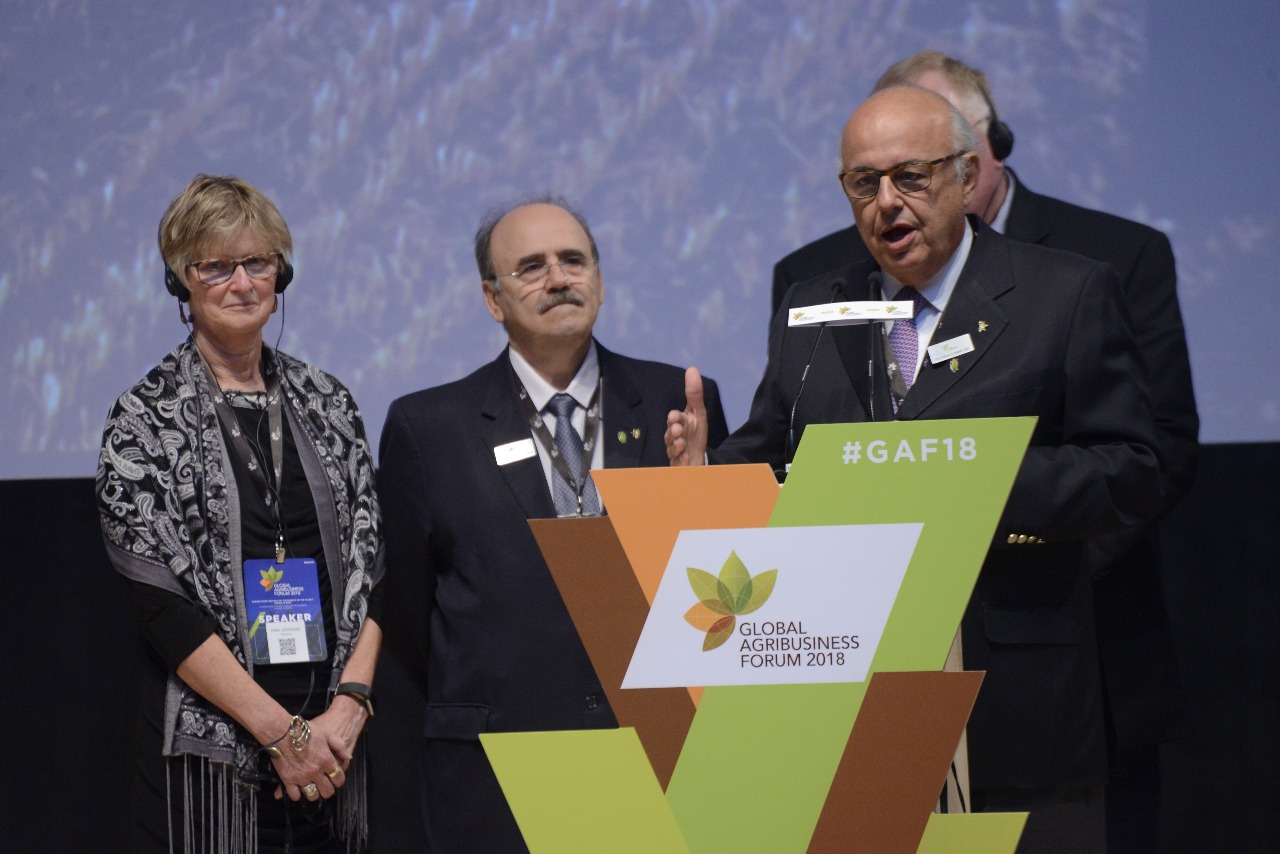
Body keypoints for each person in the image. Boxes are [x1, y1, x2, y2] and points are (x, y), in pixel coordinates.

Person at [667, 87, 1162, 854]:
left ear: (967, 176)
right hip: (843, 697)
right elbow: (770, 453)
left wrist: (964, 480)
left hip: (1011, 696)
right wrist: (705, 478)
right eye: (864, 184)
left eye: (911, 177)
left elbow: (1130, 470)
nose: (886, 204)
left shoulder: (1064, 293)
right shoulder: (813, 308)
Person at [378, 197, 730, 852]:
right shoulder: (429, 428)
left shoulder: (679, 401)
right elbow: (406, 619)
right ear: (492, 298)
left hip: (655, 762)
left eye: (573, 260)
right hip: (498, 771)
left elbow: (721, 596)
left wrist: (698, 485)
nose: (558, 279)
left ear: (598, 275)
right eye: (531, 267)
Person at [96, 175, 383, 853]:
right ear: (180, 282)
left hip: (335, 755)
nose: (242, 282)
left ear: (282, 272)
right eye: (215, 265)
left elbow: (377, 570)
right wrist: (283, 735)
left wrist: (347, 711)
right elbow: (162, 607)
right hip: (214, 767)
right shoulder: (144, 419)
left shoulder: (329, 402)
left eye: (258, 262)